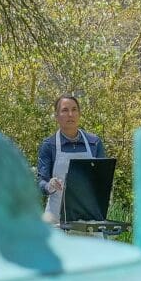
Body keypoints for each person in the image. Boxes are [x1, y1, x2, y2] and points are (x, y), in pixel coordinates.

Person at [37, 94, 107, 224]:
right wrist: (50, 185)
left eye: (74, 110)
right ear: (56, 116)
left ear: (79, 114)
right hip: (56, 216)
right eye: (65, 110)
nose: (70, 114)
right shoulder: (49, 145)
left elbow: (103, 180)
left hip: (89, 216)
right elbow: (41, 181)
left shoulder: (94, 143)